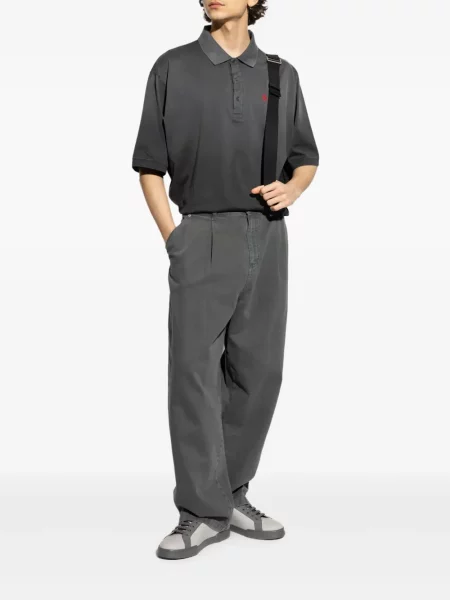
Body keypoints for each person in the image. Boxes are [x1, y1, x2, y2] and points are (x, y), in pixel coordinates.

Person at [131, 0, 319, 560]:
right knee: (193, 374)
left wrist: (293, 188)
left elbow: (306, 156)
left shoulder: (281, 74)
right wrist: (175, 238)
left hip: (268, 234)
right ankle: (199, 511)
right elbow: (149, 165)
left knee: (260, 372)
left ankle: (230, 494)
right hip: (202, 232)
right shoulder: (172, 66)